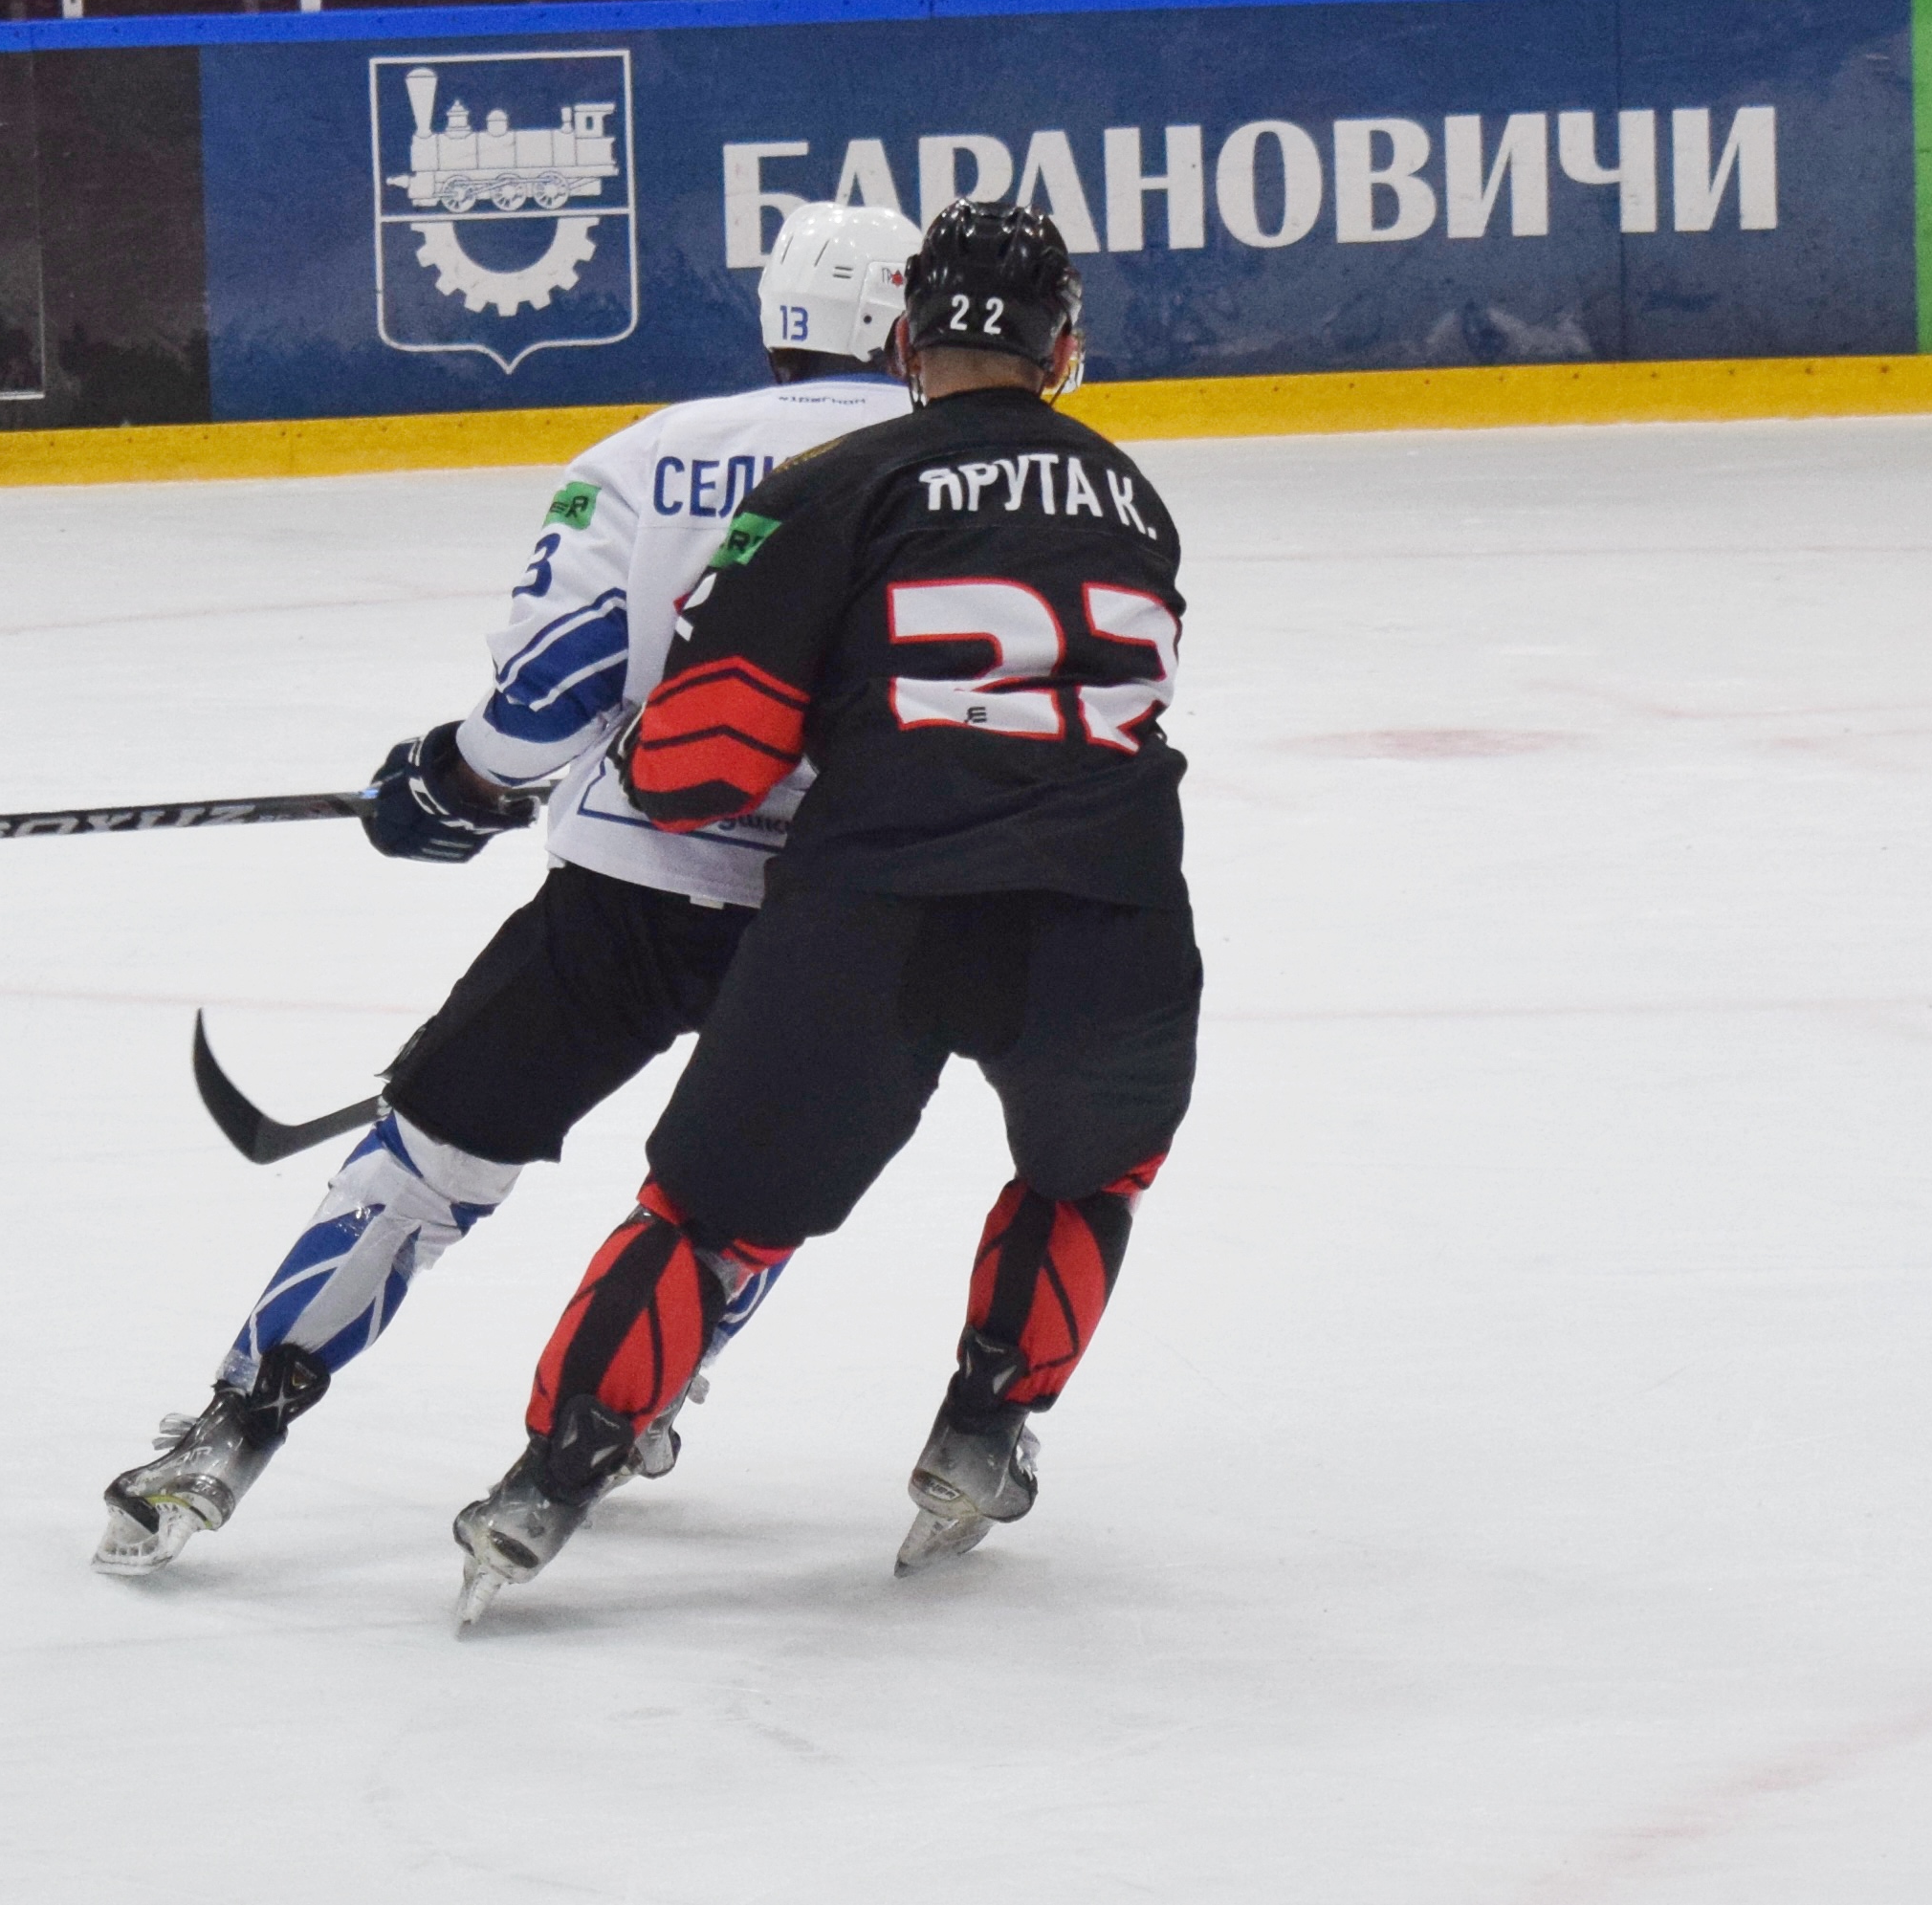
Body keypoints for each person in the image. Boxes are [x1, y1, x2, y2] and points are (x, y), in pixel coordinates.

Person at [93, 204, 924, 1577]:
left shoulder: (644, 455)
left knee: (428, 1161)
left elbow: (553, 690)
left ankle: (232, 1430)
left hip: (627, 884)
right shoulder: (962, 475)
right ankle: (638, 1399)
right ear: (908, 325)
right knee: (744, 1191)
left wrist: (453, 783)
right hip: (840, 905)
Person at [450, 200, 1197, 1625]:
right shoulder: (1132, 495)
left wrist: (639, 747)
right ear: (1063, 350)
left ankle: (552, 1475)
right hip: (1107, 907)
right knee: (1090, 1171)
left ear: (906, 338)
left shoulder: (835, 482)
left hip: (876, 911)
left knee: (710, 1215)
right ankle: (981, 1433)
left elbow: (703, 763)